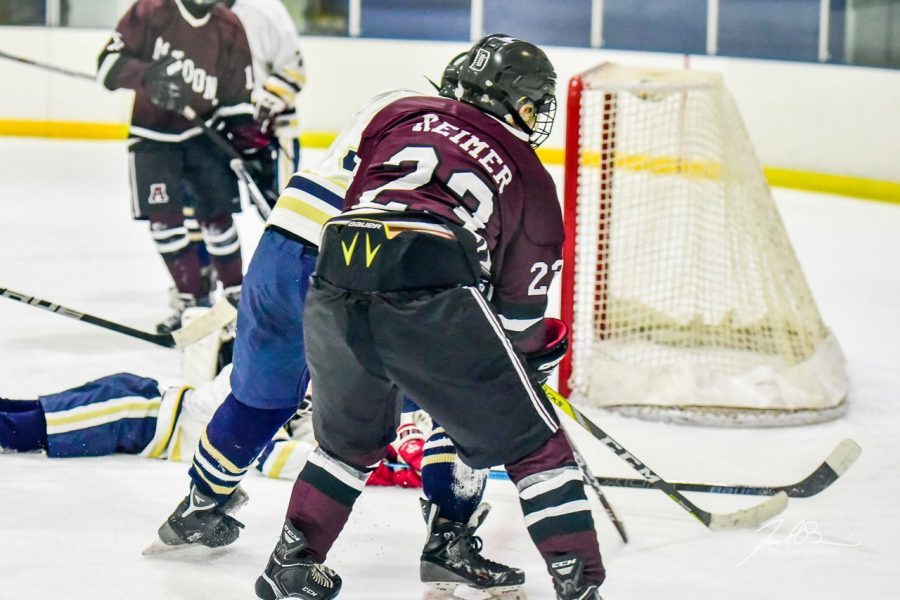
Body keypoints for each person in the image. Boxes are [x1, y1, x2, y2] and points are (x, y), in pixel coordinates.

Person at [151, 47, 526, 596]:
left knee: (263, 395)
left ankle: (199, 506)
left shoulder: (393, 101)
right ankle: (450, 537)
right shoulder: (492, 150)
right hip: (363, 262)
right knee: (458, 396)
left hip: (283, 244)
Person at [254, 34, 605, 600]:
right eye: (534, 102)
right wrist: (535, 356)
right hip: (428, 284)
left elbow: (367, 197)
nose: (537, 116)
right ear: (516, 101)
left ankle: (291, 563)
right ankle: (582, 583)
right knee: (535, 444)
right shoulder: (532, 178)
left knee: (349, 445)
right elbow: (518, 320)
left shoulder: (397, 115)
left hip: (336, 274)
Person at [96, 0, 264, 333]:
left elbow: (236, 99)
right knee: (165, 222)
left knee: (217, 219)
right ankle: (191, 302)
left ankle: (235, 301)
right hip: (152, 137)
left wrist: (249, 147)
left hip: (205, 135)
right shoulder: (150, 11)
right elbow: (107, 67)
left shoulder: (228, 27)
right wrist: (149, 76)